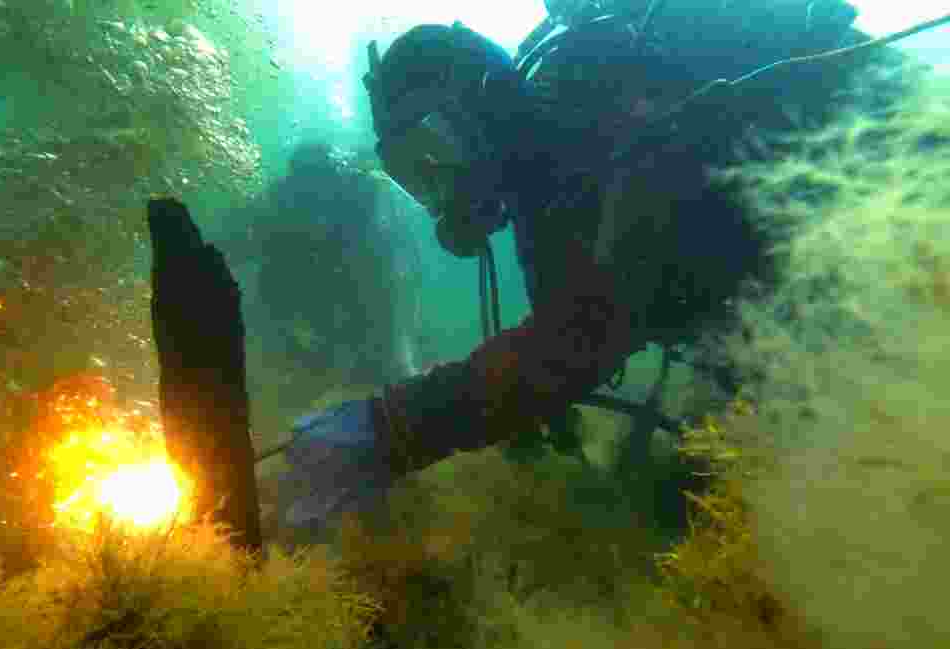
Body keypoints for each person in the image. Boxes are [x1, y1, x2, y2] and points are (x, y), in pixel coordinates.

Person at [276, 0, 874, 528]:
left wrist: (391, 429)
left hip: (865, 243)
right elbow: (566, 341)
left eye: (434, 154)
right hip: (792, 307)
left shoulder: (611, 121)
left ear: (482, 111)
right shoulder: (550, 192)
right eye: (412, 176)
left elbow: (581, 341)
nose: (438, 191)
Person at [235, 141, 425, 394]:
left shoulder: (352, 196)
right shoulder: (290, 203)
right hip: (330, 296)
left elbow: (385, 277)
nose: (314, 197)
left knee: (381, 364)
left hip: (353, 296)